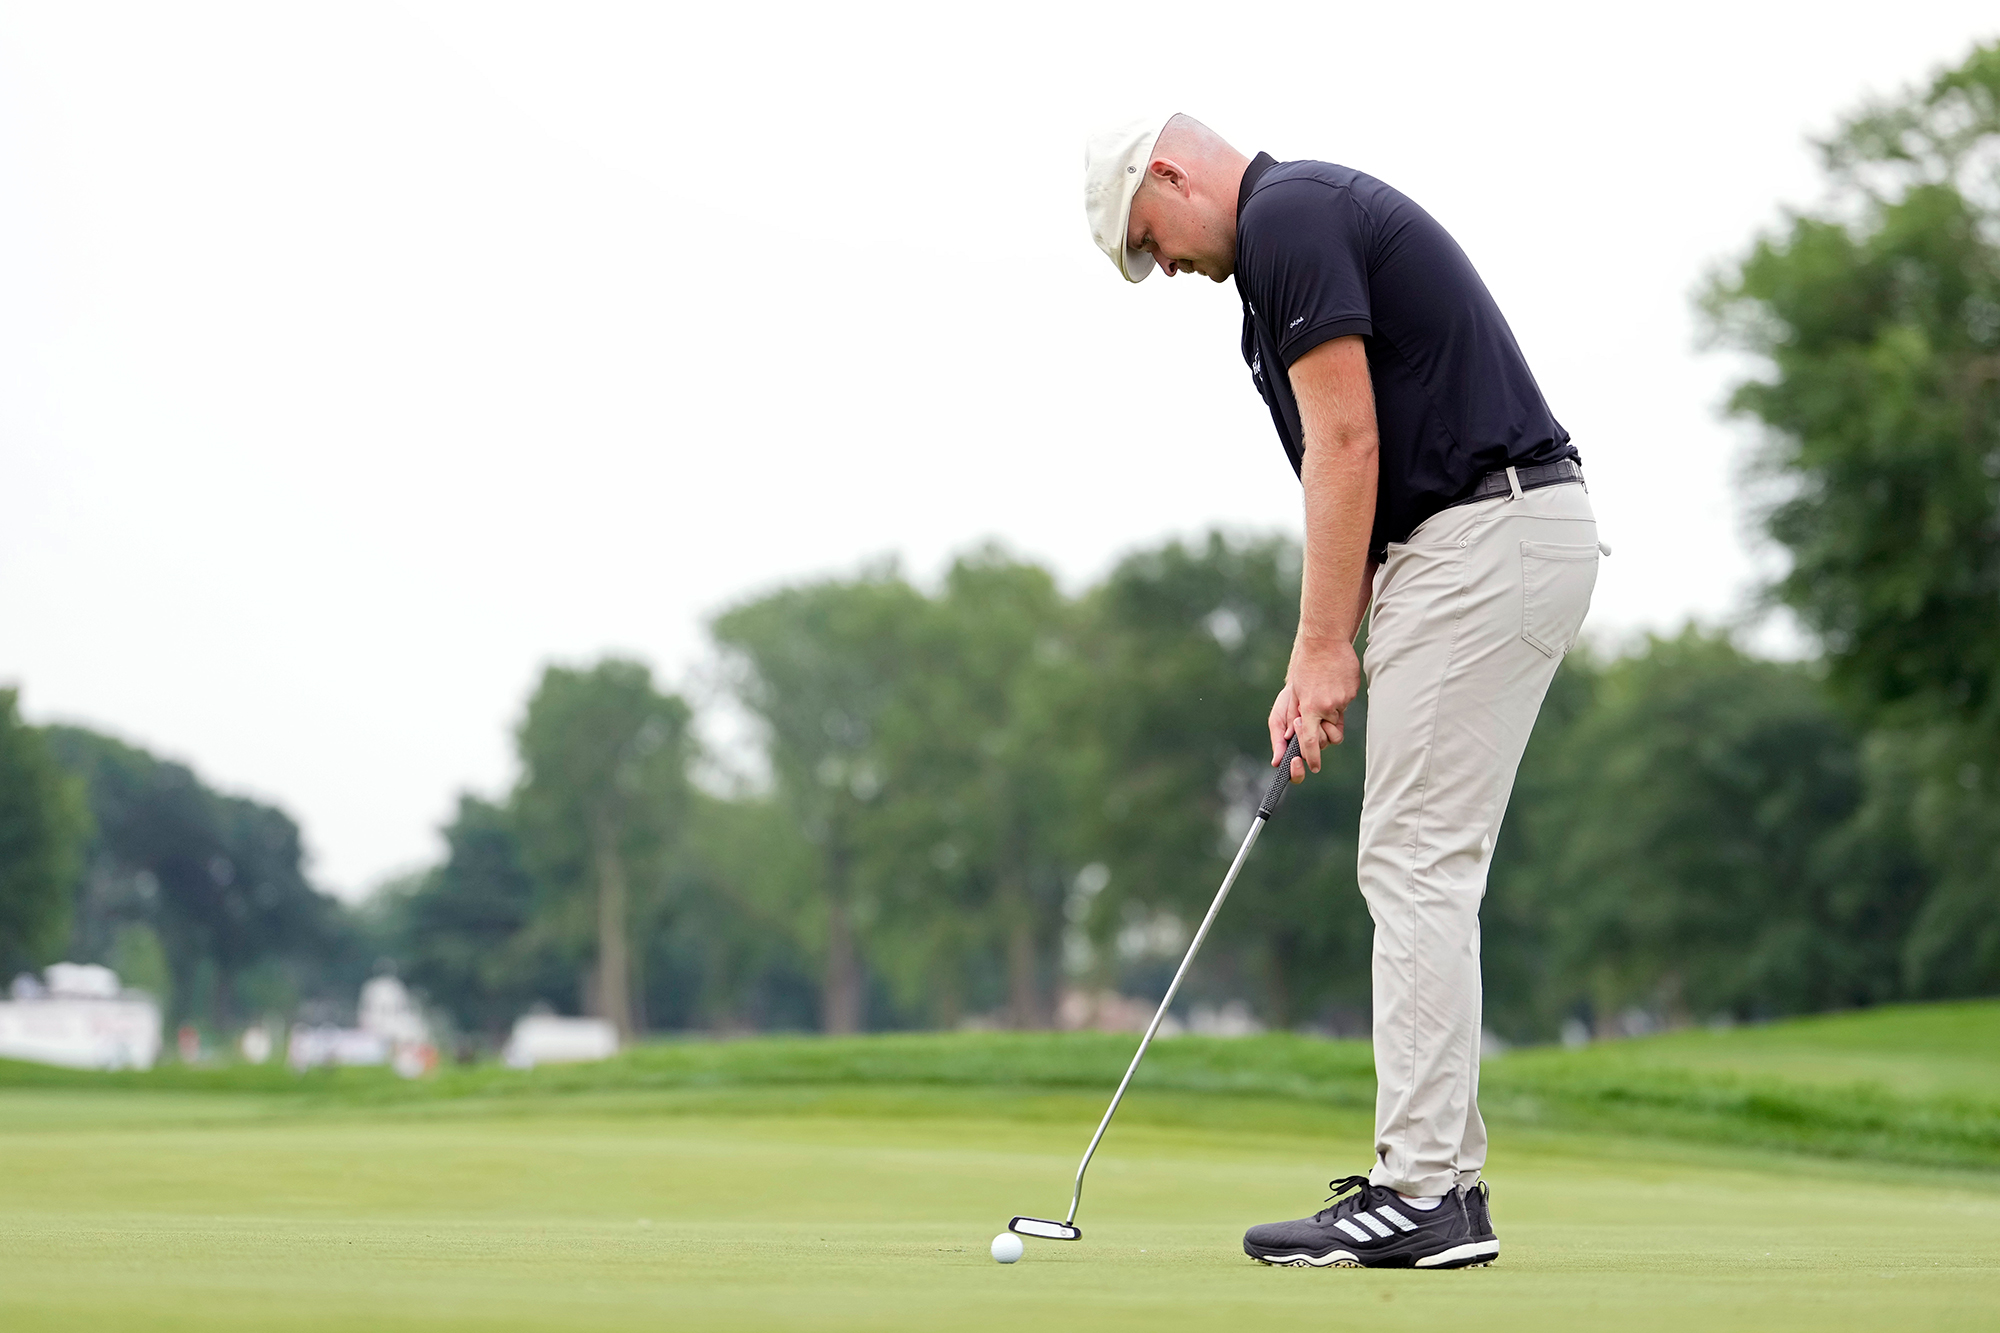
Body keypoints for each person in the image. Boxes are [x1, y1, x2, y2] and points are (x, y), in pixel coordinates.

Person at [1083, 114, 1603, 1270]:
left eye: (1147, 238)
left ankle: (1419, 1190)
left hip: (1487, 527)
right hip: (1466, 540)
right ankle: (1445, 1193)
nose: (1159, 265)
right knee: (1418, 857)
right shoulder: (1265, 292)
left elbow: (1348, 443)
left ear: (1170, 173)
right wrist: (1311, 664)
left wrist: (1325, 644)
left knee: (1412, 858)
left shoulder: (1289, 218)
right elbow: (1351, 486)